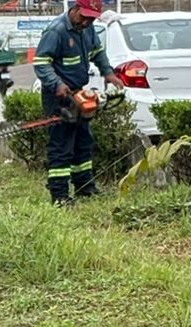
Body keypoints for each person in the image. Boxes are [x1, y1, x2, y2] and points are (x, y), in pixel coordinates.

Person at [32, 0, 123, 205]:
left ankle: (85, 187)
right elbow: (40, 62)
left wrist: (108, 72)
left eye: (91, 18)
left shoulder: (88, 30)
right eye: (84, 17)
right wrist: (57, 84)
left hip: (78, 93)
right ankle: (60, 194)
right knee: (61, 144)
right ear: (74, 9)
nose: (86, 22)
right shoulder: (57, 31)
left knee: (83, 141)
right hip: (58, 97)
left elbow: (97, 52)